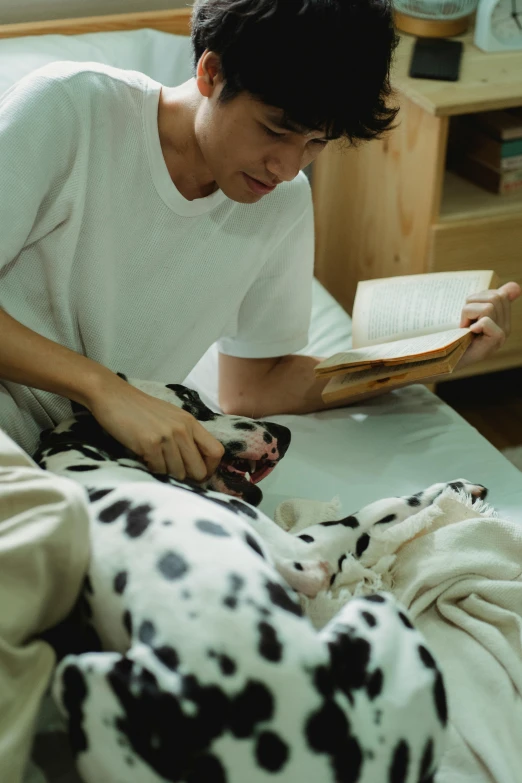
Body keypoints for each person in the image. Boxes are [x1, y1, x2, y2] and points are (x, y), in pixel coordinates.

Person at [0, 0, 519, 779]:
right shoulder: (72, 109)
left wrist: (424, 356)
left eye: (313, 145)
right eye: (277, 130)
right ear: (209, 74)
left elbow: (254, 384)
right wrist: (103, 388)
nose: (287, 166)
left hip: (113, 469)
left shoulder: (279, 202)